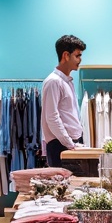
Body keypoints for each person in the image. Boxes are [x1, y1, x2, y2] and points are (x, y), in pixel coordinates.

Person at [42, 34, 87, 167]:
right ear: (66, 55)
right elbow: (52, 117)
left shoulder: (67, 82)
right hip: (60, 145)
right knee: (63, 185)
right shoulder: (53, 82)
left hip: (70, 143)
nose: (80, 60)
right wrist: (69, 144)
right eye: (77, 56)